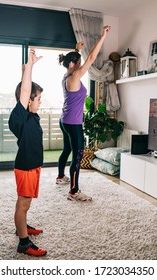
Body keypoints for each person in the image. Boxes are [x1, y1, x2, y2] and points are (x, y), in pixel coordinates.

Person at [56, 25, 111, 202]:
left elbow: (72, 61)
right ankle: (74, 191)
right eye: (78, 63)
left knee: (67, 150)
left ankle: (60, 177)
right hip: (73, 123)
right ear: (73, 64)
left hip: (64, 120)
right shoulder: (74, 77)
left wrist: (76, 51)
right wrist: (103, 36)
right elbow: (92, 57)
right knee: (78, 156)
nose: (81, 65)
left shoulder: (66, 75)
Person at [8, 49, 47, 257]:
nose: (40, 102)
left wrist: (25, 70)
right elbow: (24, 91)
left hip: (33, 166)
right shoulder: (20, 118)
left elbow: (24, 89)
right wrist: (30, 66)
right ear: (28, 101)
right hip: (25, 168)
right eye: (38, 98)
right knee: (23, 204)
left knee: (25, 202)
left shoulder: (32, 117)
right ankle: (23, 242)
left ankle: (21, 226)